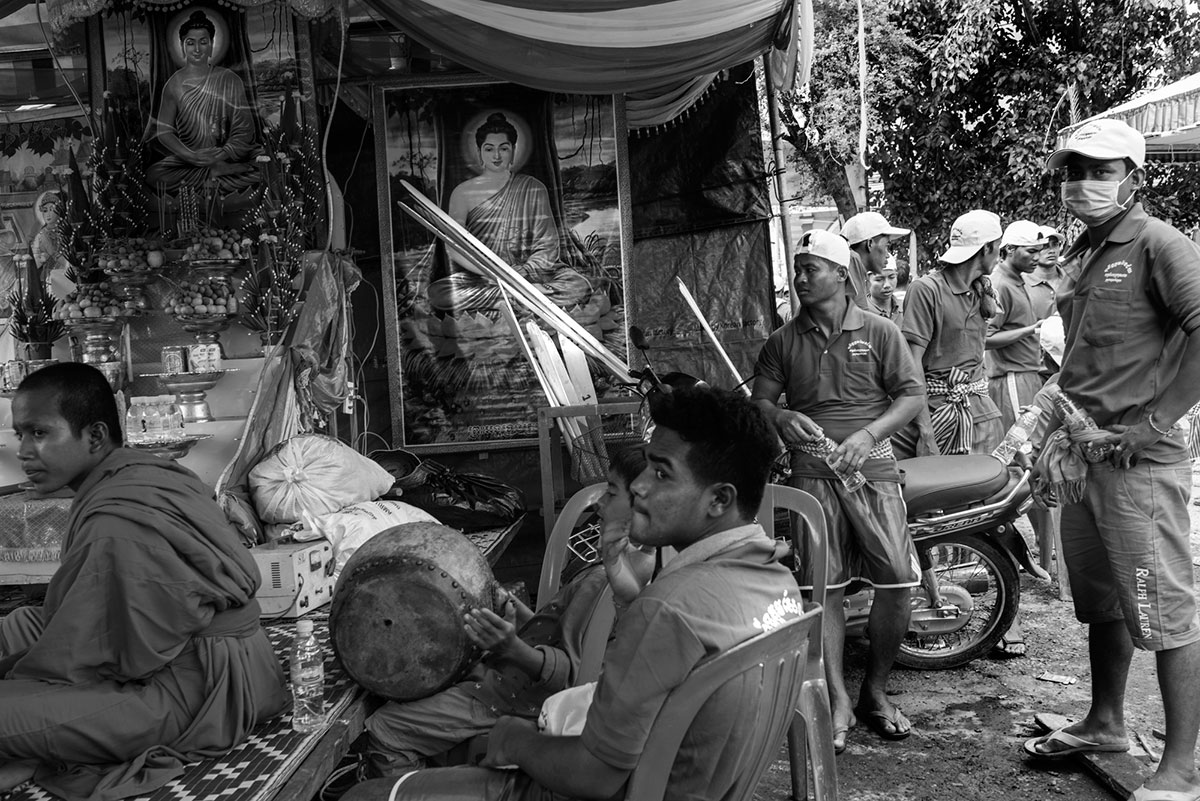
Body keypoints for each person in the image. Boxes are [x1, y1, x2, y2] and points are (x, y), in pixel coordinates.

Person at [342, 386, 798, 801]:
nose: (640, 486)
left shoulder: (670, 607)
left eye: (662, 474)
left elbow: (593, 777)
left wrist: (512, 739)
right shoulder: (776, 581)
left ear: (719, 499)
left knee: (361, 797)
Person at [0, 362, 286, 800]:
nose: (24, 451)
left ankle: (46, 736)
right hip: (209, 650)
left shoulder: (117, 519)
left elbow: (117, 659)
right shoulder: (131, 477)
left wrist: (24, 674)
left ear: (95, 436)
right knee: (20, 622)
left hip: (189, 689)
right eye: (21, 434)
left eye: (40, 433)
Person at [1021, 118, 1200, 801]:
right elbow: (1081, 361)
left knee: (1166, 614)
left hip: (1139, 464)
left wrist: (1153, 420)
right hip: (1083, 459)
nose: (1082, 183)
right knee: (1104, 606)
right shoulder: (1088, 252)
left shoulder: (1159, 244)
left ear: (1133, 176)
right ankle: (1105, 720)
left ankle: (1181, 768)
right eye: (1074, 170)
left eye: (1099, 170)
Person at [359, 447, 648, 779]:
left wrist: (511, 647)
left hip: (515, 699)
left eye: (611, 492)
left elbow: (574, 678)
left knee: (385, 729)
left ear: (643, 501)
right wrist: (517, 612)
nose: (599, 503)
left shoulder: (607, 582)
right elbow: (559, 632)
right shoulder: (625, 567)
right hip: (506, 679)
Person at [752, 229, 925, 752]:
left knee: (896, 579)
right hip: (811, 474)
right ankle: (836, 697)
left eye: (811, 268)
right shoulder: (783, 340)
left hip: (871, 467)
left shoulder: (879, 330)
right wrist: (781, 416)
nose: (801, 278)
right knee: (821, 588)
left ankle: (874, 689)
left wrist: (870, 433)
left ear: (841, 275)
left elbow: (912, 395)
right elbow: (759, 402)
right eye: (797, 268)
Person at [428, 112, 592, 315]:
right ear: (480, 152)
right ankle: (523, 295)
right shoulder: (462, 192)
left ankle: (513, 295)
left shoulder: (533, 188)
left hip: (529, 275)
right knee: (439, 292)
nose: (496, 156)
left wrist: (523, 272)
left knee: (578, 285)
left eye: (503, 148)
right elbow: (454, 247)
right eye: (489, 149)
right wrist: (495, 273)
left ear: (513, 150)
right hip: (485, 277)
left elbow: (548, 244)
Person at [983, 219, 1055, 658]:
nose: (1034, 257)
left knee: (1040, 466)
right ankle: (1017, 565)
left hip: (1030, 377)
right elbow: (989, 338)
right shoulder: (1001, 285)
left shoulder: (1022, 281)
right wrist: (1032, 332)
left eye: (1037, 251)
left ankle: (1045, 565)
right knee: (1022, 466)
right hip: (1009, 381)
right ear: (1006, 249)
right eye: (1028, 251)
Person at [893, 209, 1005, 458]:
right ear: (986, 249)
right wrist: (926, 431)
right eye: (998, 247)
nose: (1000, 255)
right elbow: (912, 365)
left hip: (978, 410)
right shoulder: (926, 290)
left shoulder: (981, 291)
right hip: (935, 413)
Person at [145, 10, 260, 195]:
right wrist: (191, 155)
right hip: (190, 159)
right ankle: (214, 173)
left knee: (265, 165)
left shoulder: (229, 79)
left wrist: (222, 153)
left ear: (212, 45)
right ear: (182, 46)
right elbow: (164, 132)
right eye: (190, 43)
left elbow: (244, 129)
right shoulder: (173, 84)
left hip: (227, 156)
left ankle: (215, 172)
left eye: (203, 42)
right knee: (153, 174)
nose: (197, 49)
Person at [841, 211, 911, 310]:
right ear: (870, 244)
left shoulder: (853, 273)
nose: (887, 255)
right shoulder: (848, 276)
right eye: (886, 246)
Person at [865, 256, 904, 327]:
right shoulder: (862, 313)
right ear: (867, 280)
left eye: (892, 277)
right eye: (879, 279)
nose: (887, 285)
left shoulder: (905, 308)